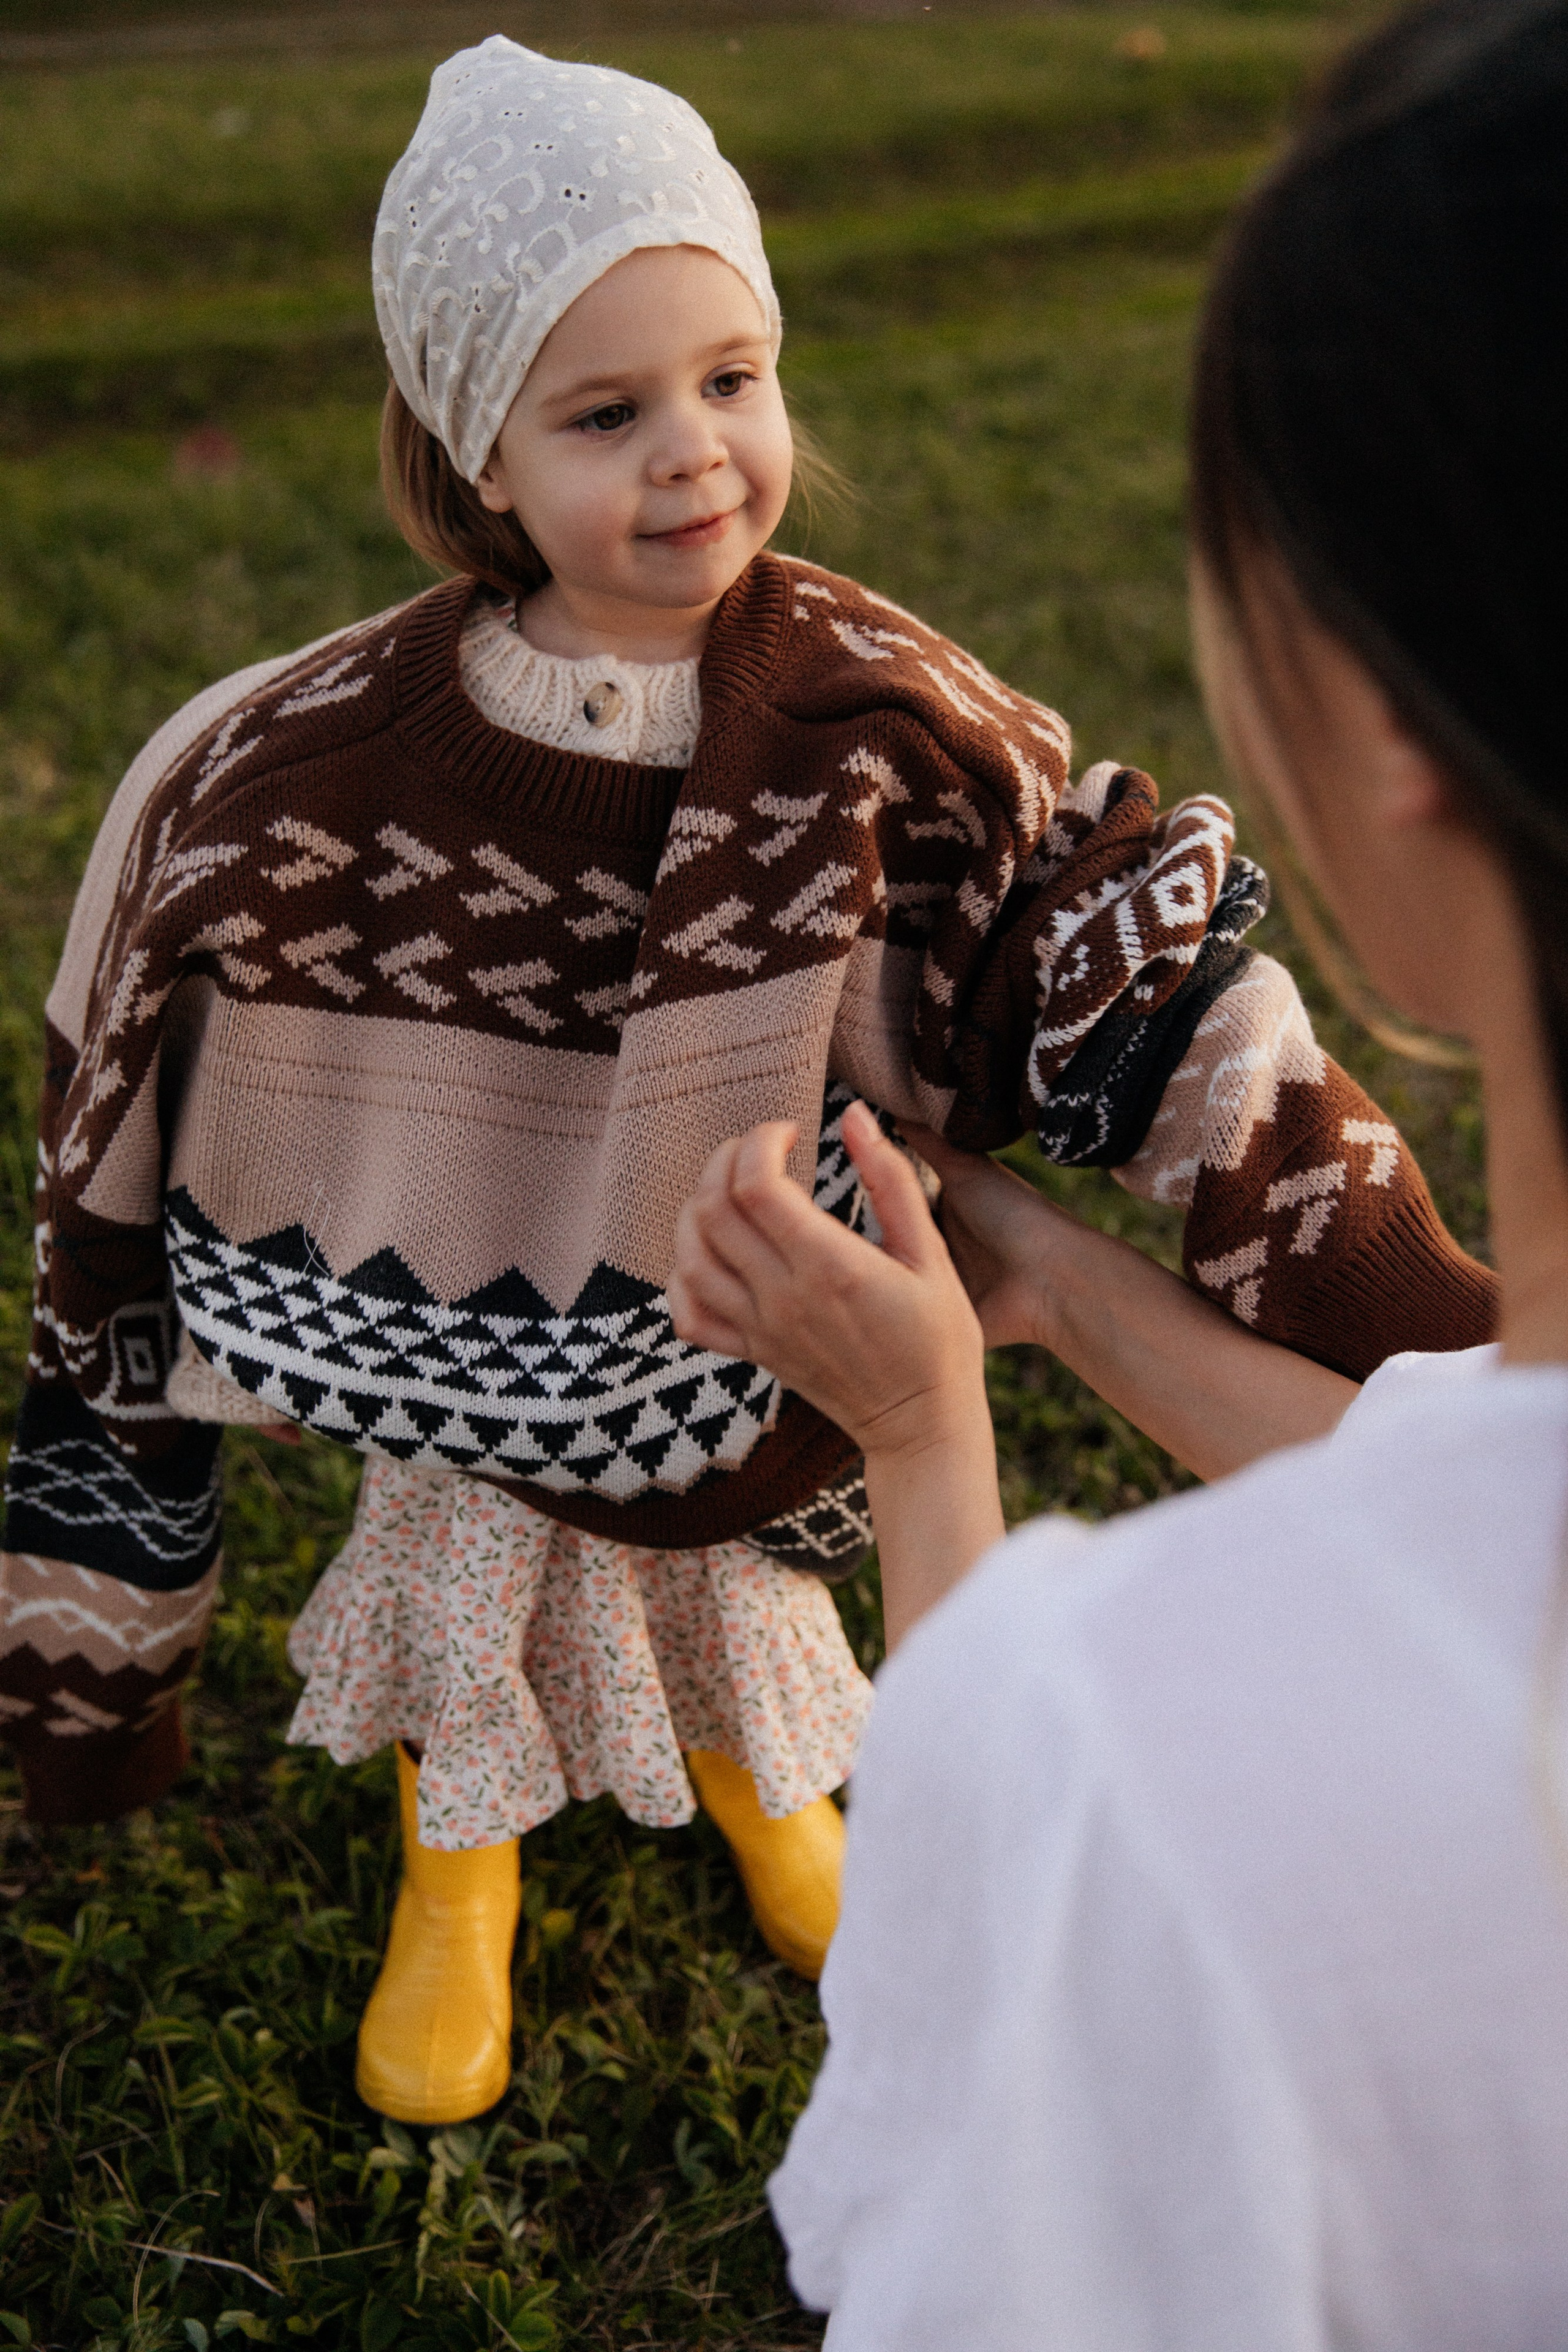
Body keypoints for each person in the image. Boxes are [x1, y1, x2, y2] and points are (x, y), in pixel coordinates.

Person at [0, 35, 1494, 2135]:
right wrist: (94, 1645)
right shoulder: (292, 770)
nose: (695, 453)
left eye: (734, 376)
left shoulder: (879, 716)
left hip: (754, 1344)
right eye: (606, 412)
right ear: (477, 450)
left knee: (727, 1597)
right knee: (465, 1604)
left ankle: (763, 1787)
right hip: (458, 1349)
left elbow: (1126, 961)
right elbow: (106, 1168)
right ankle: (464, 1860)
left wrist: (1428, 1331)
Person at [669, 1, 1568, 2340]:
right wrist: (1064, 1298)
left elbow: (982, 2096)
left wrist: (925, 1439)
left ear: (1371, 722)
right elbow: (1485, 1481)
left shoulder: (1151, 1761)